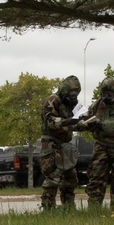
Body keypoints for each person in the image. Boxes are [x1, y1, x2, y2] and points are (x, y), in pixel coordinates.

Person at [40, 75, 87, 210]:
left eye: (76, 94)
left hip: (65, 146)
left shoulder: (71, 105)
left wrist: (85, 123)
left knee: (70, 179)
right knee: (53, 177)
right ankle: (48, 208)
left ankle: (68, 208)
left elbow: (75, 125)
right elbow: (50, 122)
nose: (74, 96)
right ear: (65, 90)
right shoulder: (52, 101)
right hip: (51, 145)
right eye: (71, 93)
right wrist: (66, 121)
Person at [84, 77, 114, 207]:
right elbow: (87, 118)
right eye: (104, 94)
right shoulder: (98, 105)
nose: (106, 97)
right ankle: (94, 209)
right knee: (96, 178)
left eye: (109, 94)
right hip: (101, 146)